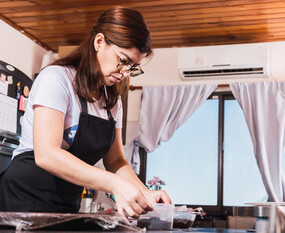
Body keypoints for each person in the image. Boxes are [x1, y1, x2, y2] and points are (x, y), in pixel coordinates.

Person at [0, 6, 171, 220]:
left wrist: (145, 193)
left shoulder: (112, 100)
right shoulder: (57, 79)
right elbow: (47, 154)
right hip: (23, 198)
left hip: (66, 204)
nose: (126, 74)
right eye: (124, 61)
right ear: (99, 42)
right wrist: (114, 183)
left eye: (133, 67)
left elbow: (116, 161)